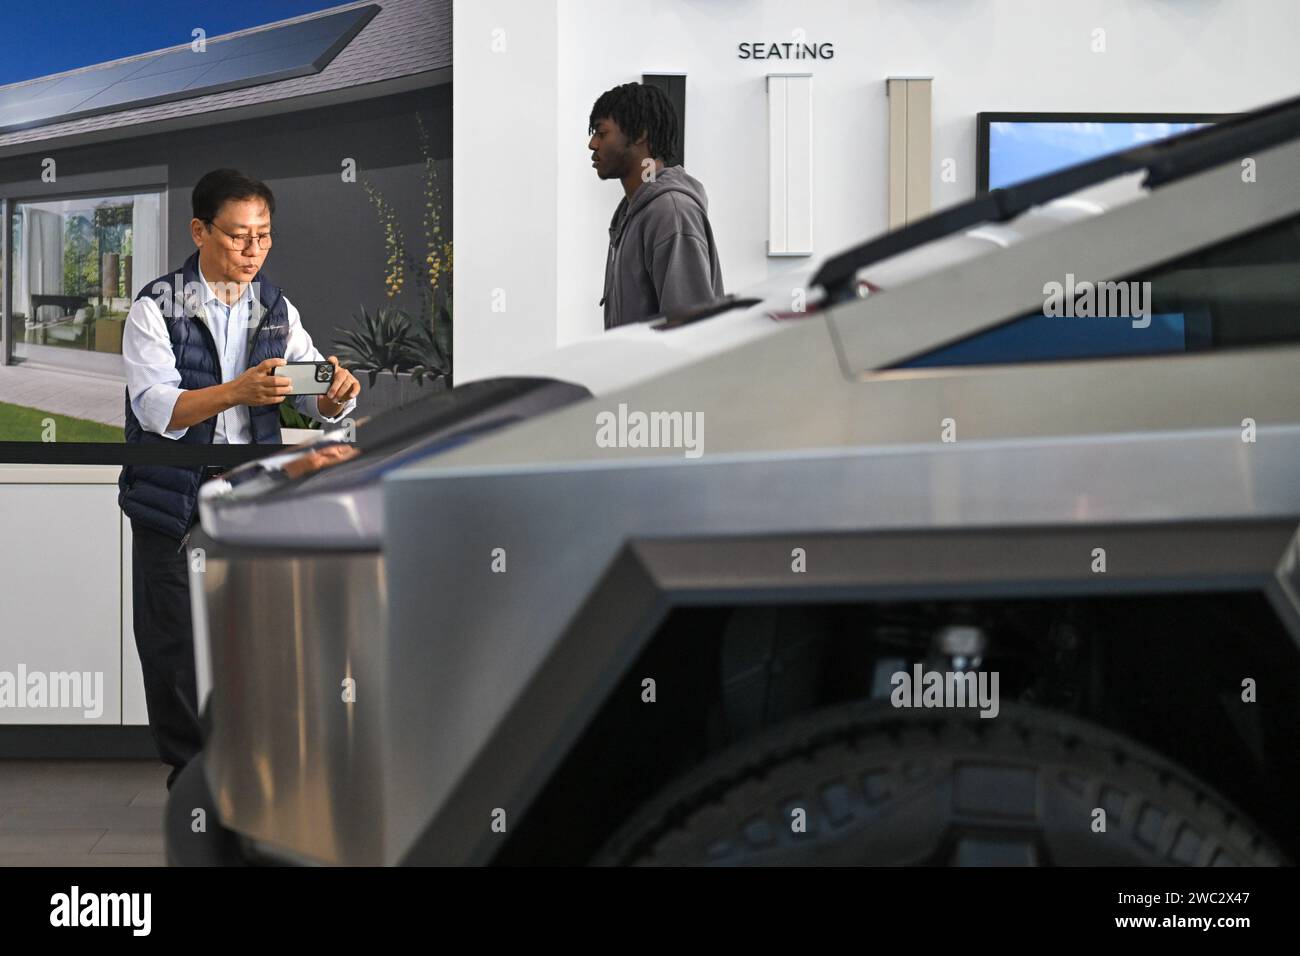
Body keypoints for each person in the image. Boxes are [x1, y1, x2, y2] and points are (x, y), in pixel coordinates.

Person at [118, 168, 360, 789]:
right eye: (237, 236)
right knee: (174, 650)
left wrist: (332, 397)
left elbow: (307, 394)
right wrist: (237, 392)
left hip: (254, 499)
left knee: (258, 645)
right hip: (172, 502)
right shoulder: (154, 307)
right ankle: (194, 786)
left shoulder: (278, 309)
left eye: (264, 236)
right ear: (199, 230)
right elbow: (159, 411)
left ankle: (254, 782)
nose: (252, 251)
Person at [589, 82, 725, 329]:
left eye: (602, 133)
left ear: (640, 133)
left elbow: (690, 332)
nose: (593, 144)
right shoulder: (634, 212)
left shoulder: (670, 212)